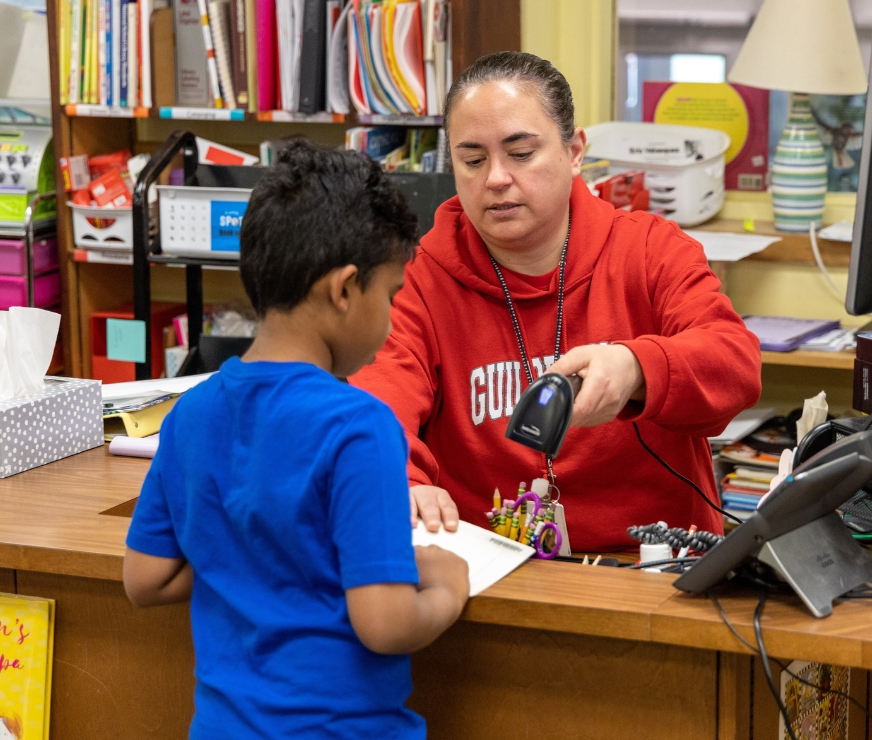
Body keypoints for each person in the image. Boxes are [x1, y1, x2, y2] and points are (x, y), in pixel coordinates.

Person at [123, 139, 470, 739]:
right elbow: (385, 623)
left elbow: (145, 579)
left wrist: (249, 562)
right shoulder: (360, 426)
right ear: (343, 289)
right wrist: (446, 585)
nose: (391, 322)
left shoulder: (191, 412)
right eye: (389, 297)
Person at [351, 51, 762, 552]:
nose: (496, 178)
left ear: (574, 150)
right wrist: (402, 482)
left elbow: (736, 365)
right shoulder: (417, 278)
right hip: (495, 574)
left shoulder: (651, 249)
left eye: (520, 154)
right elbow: (376, 402)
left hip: (656, 569)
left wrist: (636, 366)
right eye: (473, 160)